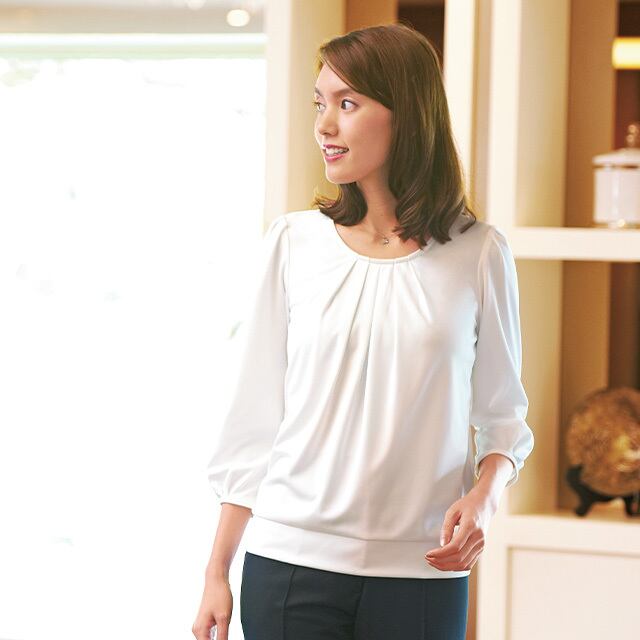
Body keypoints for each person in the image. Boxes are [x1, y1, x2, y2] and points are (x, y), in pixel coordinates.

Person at [192, 22, 534, 640]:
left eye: (347, 104)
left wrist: (484, 498)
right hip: (290, 565)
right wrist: (217, 570)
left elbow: (504, 418)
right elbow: (253, 421)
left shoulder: (479, 252)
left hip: (422, 571)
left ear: (408, 116)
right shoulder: (294, 242)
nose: (325, 125)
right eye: (319, 103)